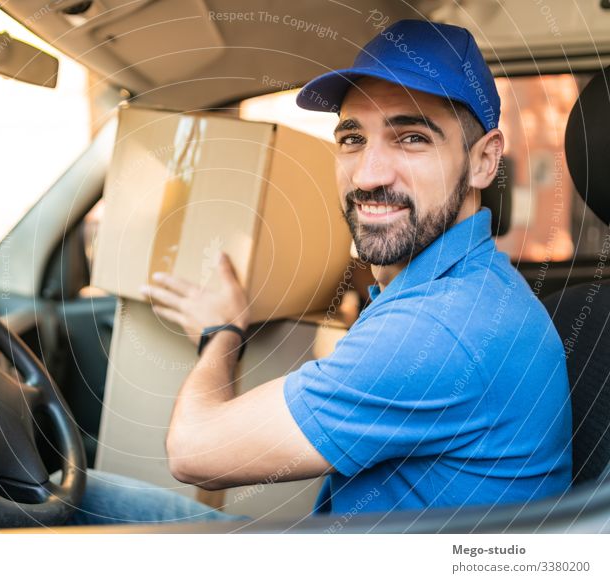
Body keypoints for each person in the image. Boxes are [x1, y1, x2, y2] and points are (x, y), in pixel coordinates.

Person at [68, 18, 571, 525]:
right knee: (86, 497)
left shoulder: (441, 327)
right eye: (352, 138)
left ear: (484, 162)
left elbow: (193, 451)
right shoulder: (467, 286)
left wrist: (221, 331)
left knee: (56, 509)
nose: (369, 174)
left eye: (413, 138)